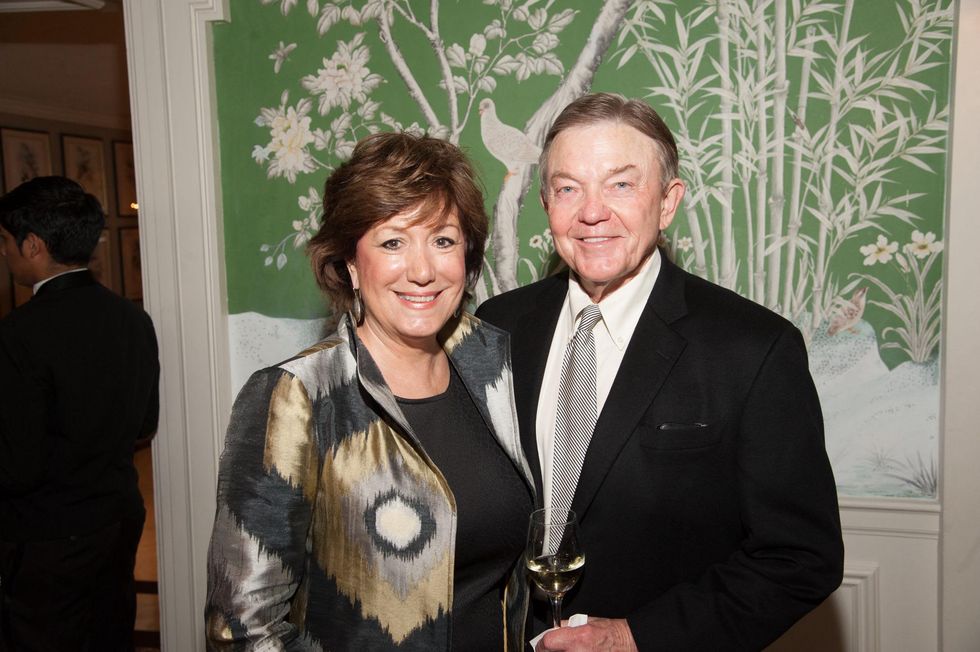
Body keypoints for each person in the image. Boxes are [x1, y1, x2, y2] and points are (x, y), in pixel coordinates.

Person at [476, 93, 844, 651]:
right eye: (568, 188)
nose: (591, 211)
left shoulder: (754, 349)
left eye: (621, 184)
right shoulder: (497, 327)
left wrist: (634, 637)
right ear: (546, 202)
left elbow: (800, 558)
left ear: (668, 202)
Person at [205, 132, 535, 651]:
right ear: (352, 264)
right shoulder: (296, 397)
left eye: (443, 240)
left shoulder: (497, 365)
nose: (423, 270)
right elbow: (243, 629)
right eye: (393, 242)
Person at [0, 176, 160, 651]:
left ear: (33, 245)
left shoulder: (18, 334)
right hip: (116, 517)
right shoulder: (132, 318)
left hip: (46, 532)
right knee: (108, 635)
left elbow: (17, 464)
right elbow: (144, 423)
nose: (4, 253)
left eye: (6, 241)